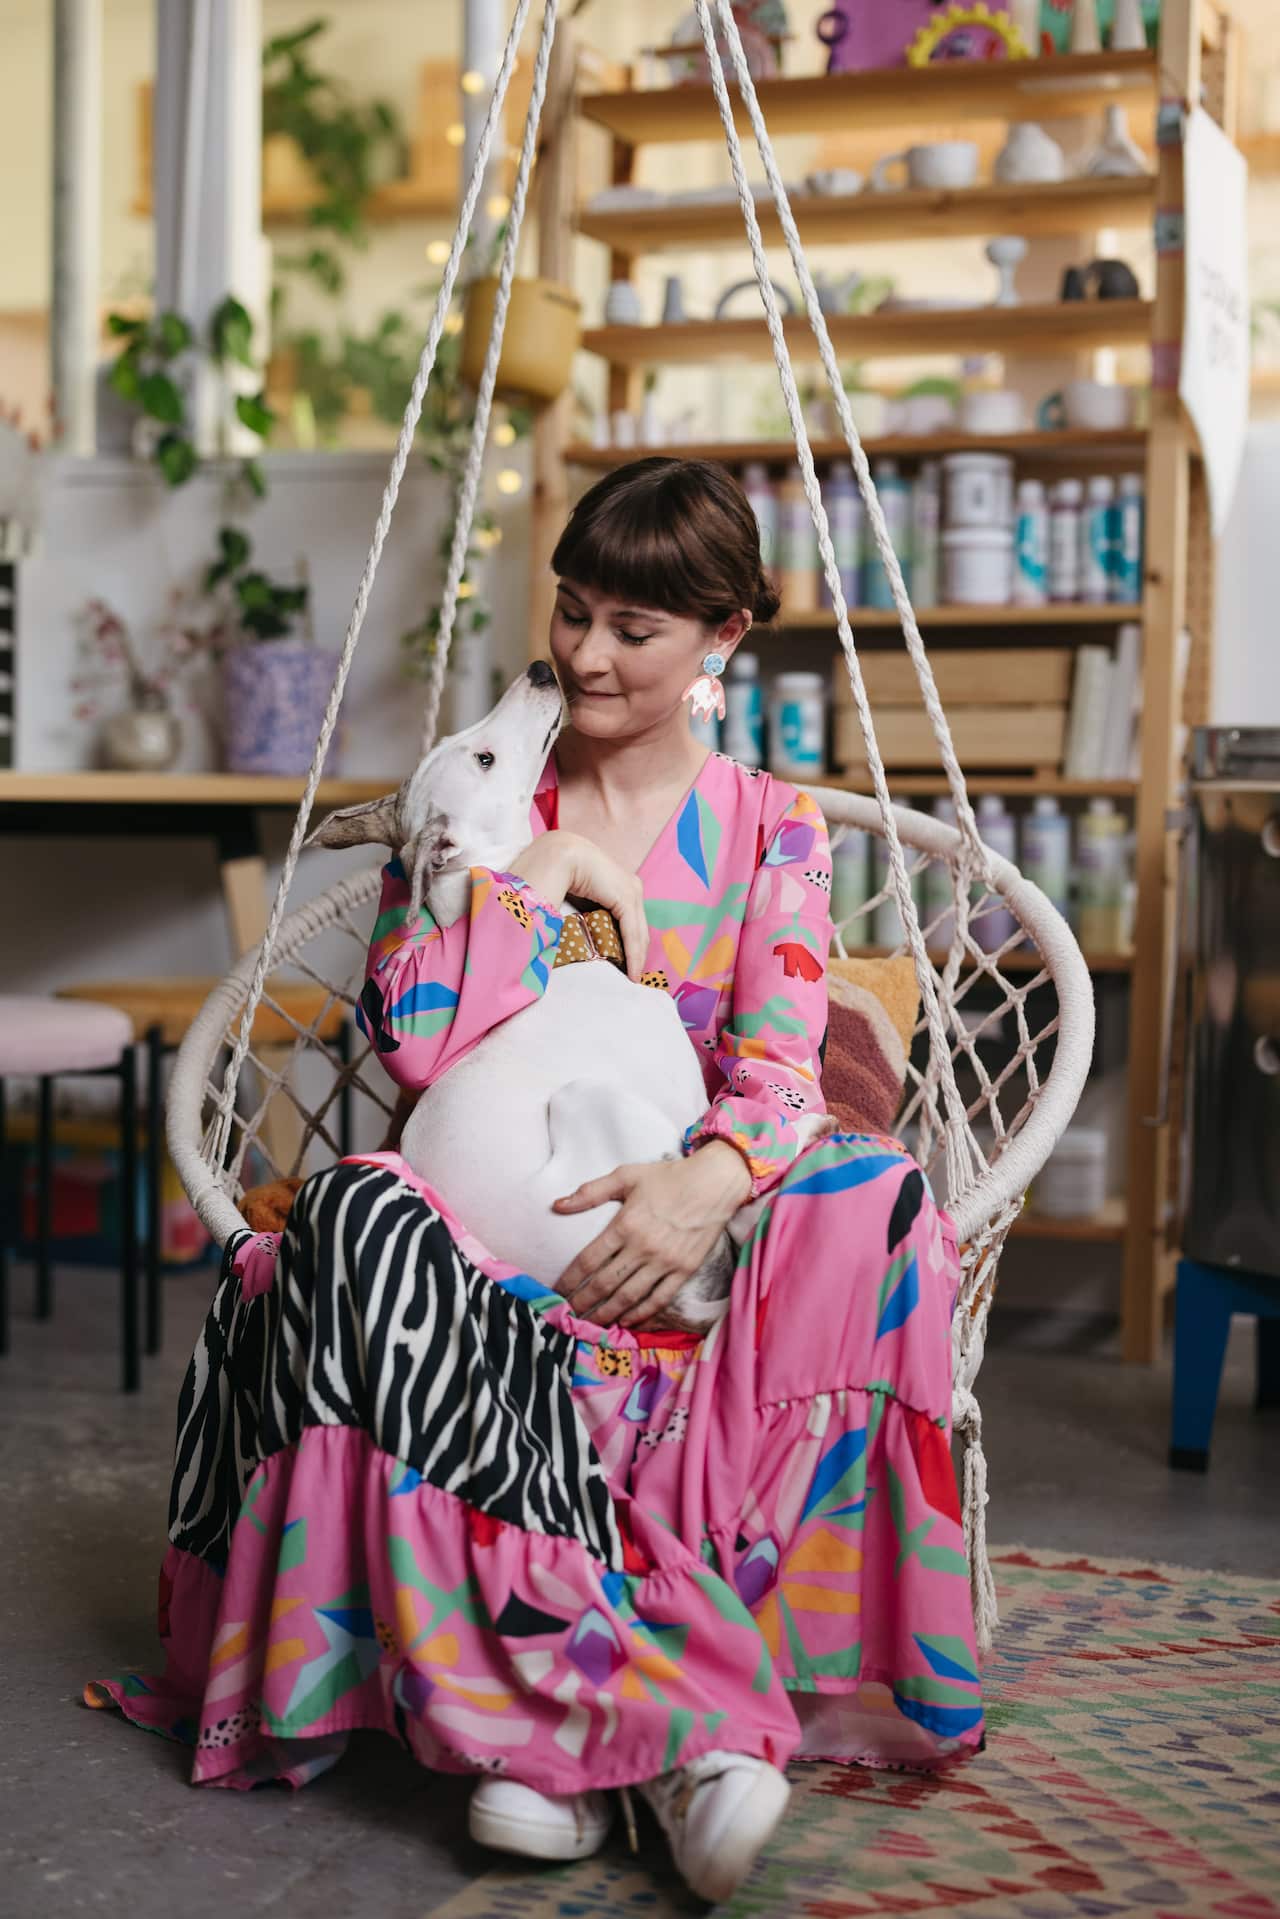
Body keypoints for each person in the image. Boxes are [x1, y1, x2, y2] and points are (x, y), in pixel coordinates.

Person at [87, 460, 982, 1905]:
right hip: (484, 1244)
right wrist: (536, 870)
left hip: (682, 1222)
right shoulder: (482, 796)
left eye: (636, 628)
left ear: (723, 638)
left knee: (877, 1197)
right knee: (350, 1212)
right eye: (573, 611)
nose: (585, 654)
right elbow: (410, 1039)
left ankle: (555, 1746)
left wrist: (701, 1186)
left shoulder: (772, 827)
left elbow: (780, 1066)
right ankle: (656, 1741)